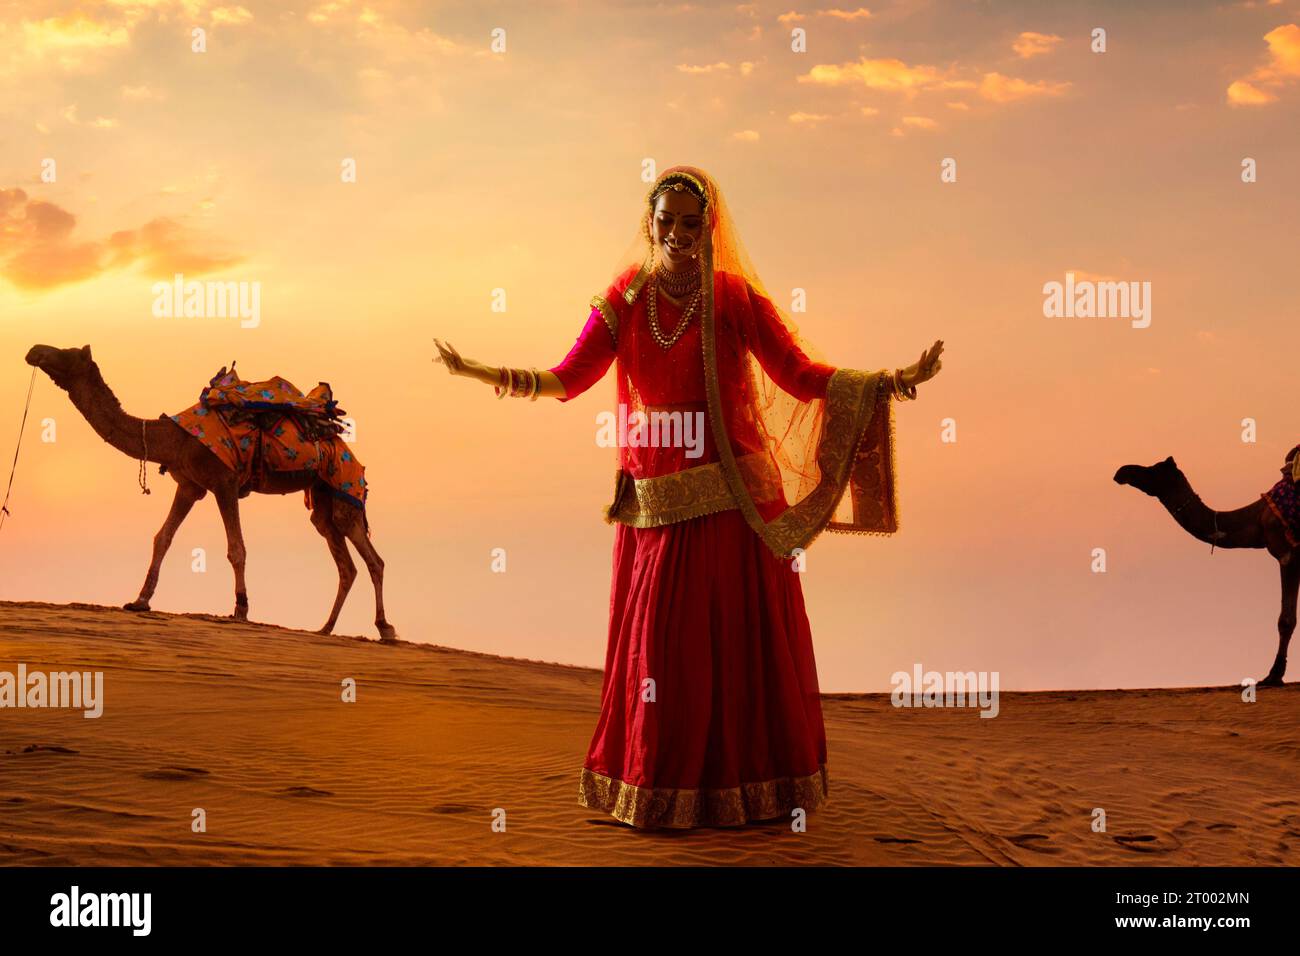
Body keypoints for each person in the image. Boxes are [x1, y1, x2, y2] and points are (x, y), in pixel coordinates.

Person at [435, 164, 943, 828]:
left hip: (738, 500)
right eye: (665, 220)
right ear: (649, 223)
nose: (675, 233)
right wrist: (483, 372)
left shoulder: (734, 300)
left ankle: (748, 791)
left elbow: (797, 373)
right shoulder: (623, 303)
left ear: (709, 228)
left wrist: (891, 381)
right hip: (658, 500)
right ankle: (662, 788)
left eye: (689, 222)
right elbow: (568, 377)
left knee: (739, 646)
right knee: (665, 649)